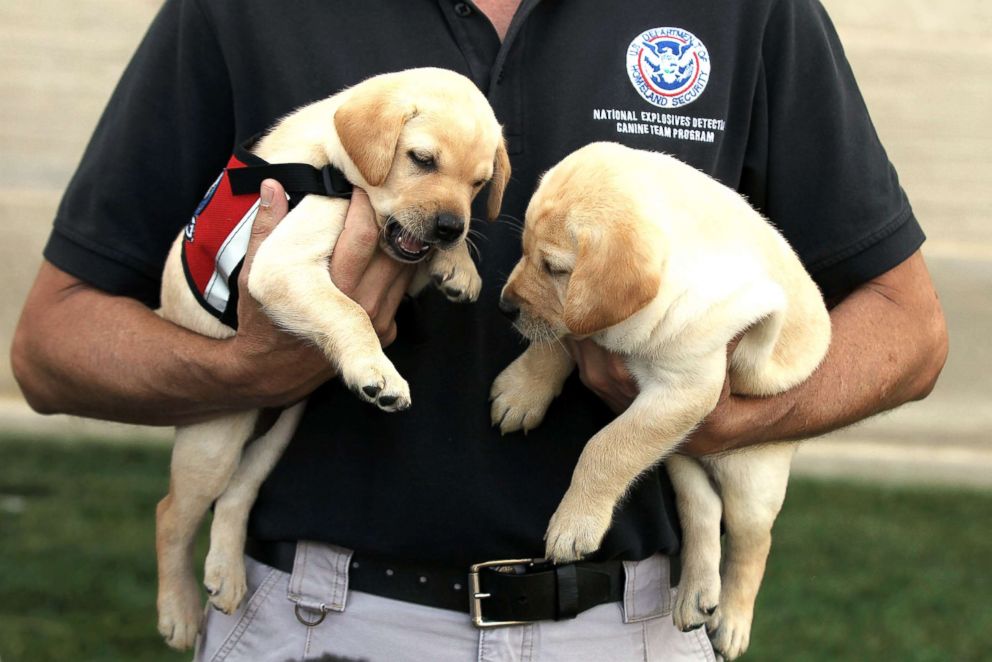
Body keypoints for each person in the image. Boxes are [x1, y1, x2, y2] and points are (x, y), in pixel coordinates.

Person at [11, 0, 947, 660]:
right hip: (314, 622)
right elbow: (52, 349)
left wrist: (715, 416)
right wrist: (251, 368)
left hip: (633, 631)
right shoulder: (243, 8)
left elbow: (909, 329)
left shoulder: (748, 10)